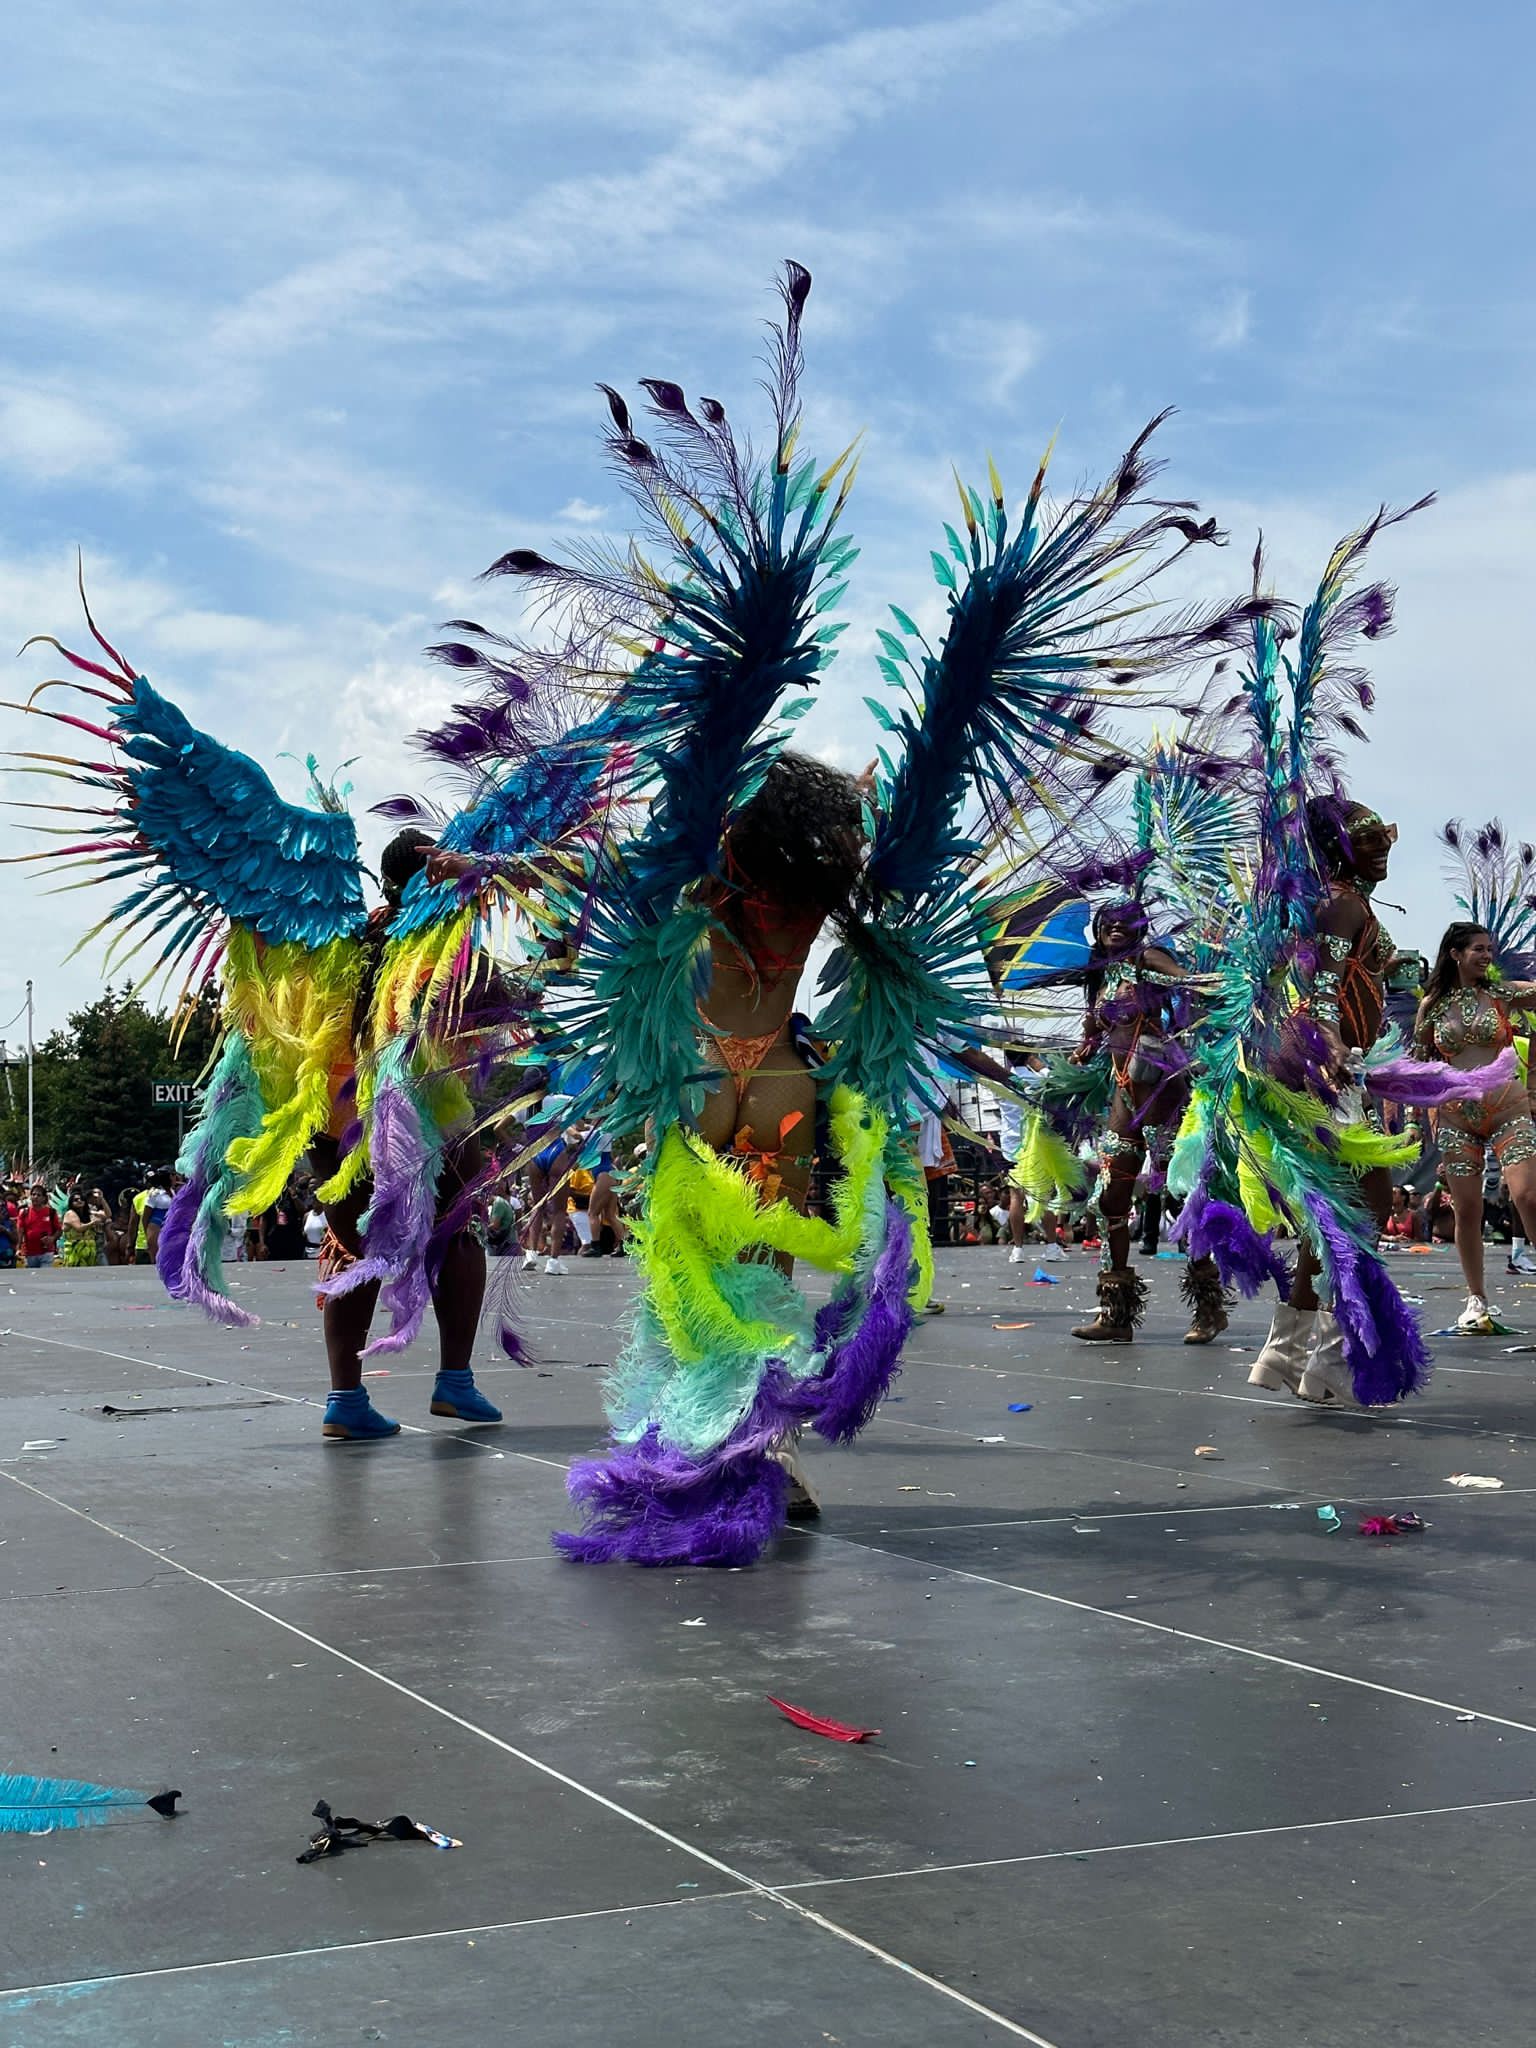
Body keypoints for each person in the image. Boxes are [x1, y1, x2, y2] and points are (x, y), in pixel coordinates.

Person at [310, 829, 502, 1439]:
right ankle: (455, 1382)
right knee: (459, 1230)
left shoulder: (343, 942)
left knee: (350, 1249)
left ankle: (345, 1400)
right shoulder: (441, 943)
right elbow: (491, 1011)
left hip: (336, 1114)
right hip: (421, 1108)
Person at [1247, 801, 1402, 1402]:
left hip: (1322, 1064)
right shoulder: (1343, 902)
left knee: (1334, 1211)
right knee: (1370, 1203)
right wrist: (1333, 1042)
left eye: (1384, 836)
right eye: (1368, 839)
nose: (1381, 847)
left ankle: (1286, 1353)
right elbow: (1324, 984)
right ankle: (1328, 1358)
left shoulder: (1336, 900)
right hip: (1329, 1067)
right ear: (1338, 848)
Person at [1069, 902, 1228, 1346]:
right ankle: (1115, 1315)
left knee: (1178, 1196)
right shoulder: (1102, 975)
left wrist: (1215, 983)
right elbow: (1097, 1027)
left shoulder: (1148, 959)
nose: (1117, 928)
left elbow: (1187, 981)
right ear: (1098, 930)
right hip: (1124, 1091)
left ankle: (1209, 1307)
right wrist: (1085, 1046)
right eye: (1109, 923)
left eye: (1127, 922)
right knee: (1110, 1199)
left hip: (1159, 1088)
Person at [1413, 921, 1536, 1329]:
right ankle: (1477, 1299)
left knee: (1528, 1196)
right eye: (1478, 949)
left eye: (1489, 949)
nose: (1486, 956)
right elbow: (1421, 1064)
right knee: (1466, 1210)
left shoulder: (1503, 993)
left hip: (1507, 1109)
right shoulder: (1432, 1005)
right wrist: (1416, 1121)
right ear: (1455, 954)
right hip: (1456, 1117)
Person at [19, 1183, 60, 1267]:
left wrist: (52, 1238)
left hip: (47, 1252)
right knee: (31, 1275)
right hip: (29, 1253)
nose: (35, 1197)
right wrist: (18, 1248)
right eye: (33, 1194)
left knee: (45, 1274)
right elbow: (20, 1233)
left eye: (38, 1195)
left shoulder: (51, 1212)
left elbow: (59, 1230)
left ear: (44, 1198)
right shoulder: (24, 1213)